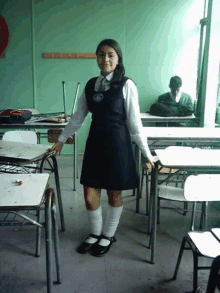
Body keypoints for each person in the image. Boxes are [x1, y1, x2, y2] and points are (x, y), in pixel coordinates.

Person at [49, 39, 158, 257]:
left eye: (110, 55)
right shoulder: (91, 85)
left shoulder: (127, 85)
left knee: (113, 192)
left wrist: (147, 154)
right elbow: (78, 118)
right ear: (96, 57)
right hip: (95, 144)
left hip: (118, 145)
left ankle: (108, 234)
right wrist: (61, 138)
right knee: (90, 193)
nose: (105, 59)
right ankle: (95, 233)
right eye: (100, 55)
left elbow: (135, 124)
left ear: (118, 59)